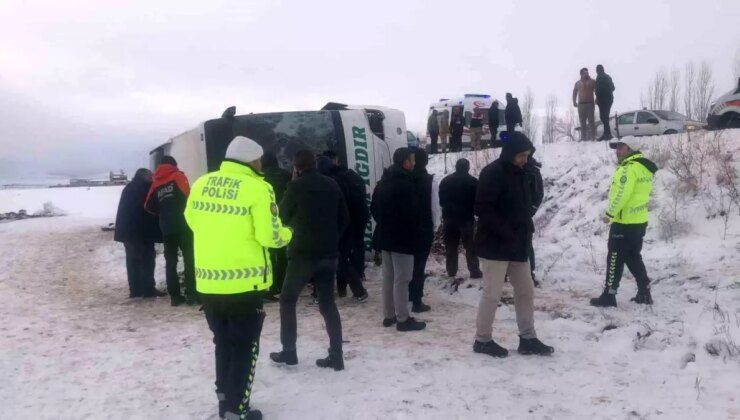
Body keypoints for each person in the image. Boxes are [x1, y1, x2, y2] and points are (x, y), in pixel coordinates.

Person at [185, 136, 293, 420]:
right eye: (258, 160)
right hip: (245, 286)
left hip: (208, 283)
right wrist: (288, 234)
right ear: (252, 160)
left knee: (222, 343)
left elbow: (191, 221)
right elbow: (269, 236)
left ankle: (224, 401)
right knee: (245, 349)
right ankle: (238, 410)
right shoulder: (259, 188)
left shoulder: (201, 183)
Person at [473, 132, 554, 358]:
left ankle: (527, 338)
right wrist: (506, 231)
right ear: (510, 153)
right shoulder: (492, 173)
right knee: (492, 294)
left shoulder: (524, 173)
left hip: (518, 245)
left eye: (527, 156)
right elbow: (482, 209)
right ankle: (482, 339)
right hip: (494, 246)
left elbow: (530, 202)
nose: (524, 160)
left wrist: (526, 226)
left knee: (526, 291)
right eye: (521, 155)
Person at [270, 150, 349, 371]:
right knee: (328, 304)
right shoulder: (332, 184)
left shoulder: (295, 187)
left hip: (302, 255)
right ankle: (337, 355)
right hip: (329, 253)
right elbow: (345, 218)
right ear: (314, 163)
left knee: (287, 300)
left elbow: (282, 217)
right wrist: (332, 239)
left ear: (296, 166)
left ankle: (289, 352)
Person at [590, 136, 657, 307]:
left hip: (624, 222)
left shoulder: (627, 169)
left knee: (614, 257)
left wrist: (609, 214)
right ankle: (644, 291)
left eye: (621, 147)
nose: (617, 151)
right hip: (639, 221)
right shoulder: (643, 168)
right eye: (617, 147)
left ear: (630, 149)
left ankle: (609, 296)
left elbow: (622, 195)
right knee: (633, 256)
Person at [371, 147, 426, 331]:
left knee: (389, 277)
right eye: (412, 160)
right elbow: (412, 212)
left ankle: (389, 315)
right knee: (403, 279)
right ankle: (403, 319)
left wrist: (385, 223)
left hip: (385, 236)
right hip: (403, 238)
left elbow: (374, 208)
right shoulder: (406, 183)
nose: (415, 163)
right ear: (405, 162)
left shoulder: (384, 181)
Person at [145, 156, 196, 306]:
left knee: (171, 263)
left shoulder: (156, 183)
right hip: (184, 225)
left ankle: (175, 297)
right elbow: (189, 196)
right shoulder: (178, 176)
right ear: (173, 164)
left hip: (166, 228)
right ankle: (192, 295)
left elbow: (148, 205)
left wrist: (164, 213)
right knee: (190, 259)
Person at [318, 151, 369, 302]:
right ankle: (349, 287)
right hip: (351, 223)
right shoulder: (349, 176)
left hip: (337, 225)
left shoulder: (331, 181)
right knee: (342, 258)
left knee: (334, 259)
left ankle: (329, 292)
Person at [114, 168, 165, 298]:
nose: (152, 178)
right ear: (144, 177)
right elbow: (148, 210)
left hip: (128, 233)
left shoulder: (129, 188)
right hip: (140, 233)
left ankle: (135, 290)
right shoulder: (144, 189)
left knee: (132, 262)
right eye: (150, 176)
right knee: (147, 260)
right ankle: (148, 290)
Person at [438, 158, 482, 280]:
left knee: (451, 246)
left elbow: (441, 201)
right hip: (466, 219)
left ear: (456, 167)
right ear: (467, 168)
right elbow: (477, 201)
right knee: (470, 246)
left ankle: (451, 271)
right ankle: (474, 271)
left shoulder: (445, 181)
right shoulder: (473, 182)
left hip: (449, 219)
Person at [260, 151, 292, 301]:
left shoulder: (259, 177)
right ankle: (283, 284)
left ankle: (270, 287)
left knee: (267, 254)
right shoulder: (285, 175)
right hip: (283, 217)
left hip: (265, 219)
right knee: (283, 252)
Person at [409, 148, 434, 313]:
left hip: (407, 228)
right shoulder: (429, 180)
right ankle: (417, 300)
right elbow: (435, 208)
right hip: (424, 228)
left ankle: (408, 295)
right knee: (419, 266)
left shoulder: (406, 178)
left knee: (407, 266)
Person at [524, 148, 544, 288]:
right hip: (507, 216)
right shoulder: (511, 167)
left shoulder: (533, 171)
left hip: (524, 215)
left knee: (526, 245)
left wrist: (531, 210)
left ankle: (530, 273)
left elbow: (538, 193)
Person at [573, 67, 597, 141]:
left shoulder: (593, 81)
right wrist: (574, 101)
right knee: (582, 121)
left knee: (591, 121)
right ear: (581, 74)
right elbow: (574, 93)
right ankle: (583, 138)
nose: (586, 74)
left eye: (587, 72)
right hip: (581, 105)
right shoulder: (577, 83)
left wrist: (597, 99)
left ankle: (593, 137)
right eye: (584, 73)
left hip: (590, 104)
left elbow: (597, 90)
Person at [595, 64, 616, 141]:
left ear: (597, 70)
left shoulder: (599, 77)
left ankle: (608, 134)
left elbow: (597, 90)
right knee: (605, 117)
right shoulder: (608, 77)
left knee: (604, 117)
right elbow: (613, 88)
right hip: (609, 99)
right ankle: (606, 133)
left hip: (603, 100)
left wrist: (597, 98)